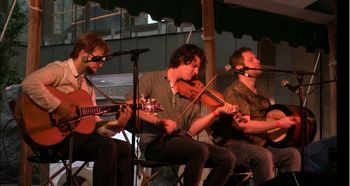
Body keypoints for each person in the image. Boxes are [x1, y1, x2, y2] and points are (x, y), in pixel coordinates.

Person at [21, 32, 132, 186]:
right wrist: (58, 106)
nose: (102, 63)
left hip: (76, 138)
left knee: (126, 148)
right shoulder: (60, 70)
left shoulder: (87, 86)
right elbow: (29, 83)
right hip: (54, 138)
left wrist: (117, 124)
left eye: (104, 60)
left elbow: (94, 124)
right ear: (83, 54)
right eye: (99, 58)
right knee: (107, 146)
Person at [125, 44, 237, 186]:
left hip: (182, 141)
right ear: (181, 59)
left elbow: (192, 130)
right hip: (154, 143)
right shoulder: (152, 78)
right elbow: (131, 104)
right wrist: (156, 121)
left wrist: (216, 113)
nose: (196, 72)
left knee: (227, 157)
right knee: (199, 150)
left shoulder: (190, 92)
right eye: (194, 66)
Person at [212, 47, 301, 185]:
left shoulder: (262, 93)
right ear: (241, 68)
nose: (258, 60)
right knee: (263, 155)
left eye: (256, 58)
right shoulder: (235, 92)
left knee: (292, 154)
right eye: (251, 59)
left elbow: (267, 120)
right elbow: (245, 126)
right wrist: (278, 124)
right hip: (236, 146)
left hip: (260, 144)